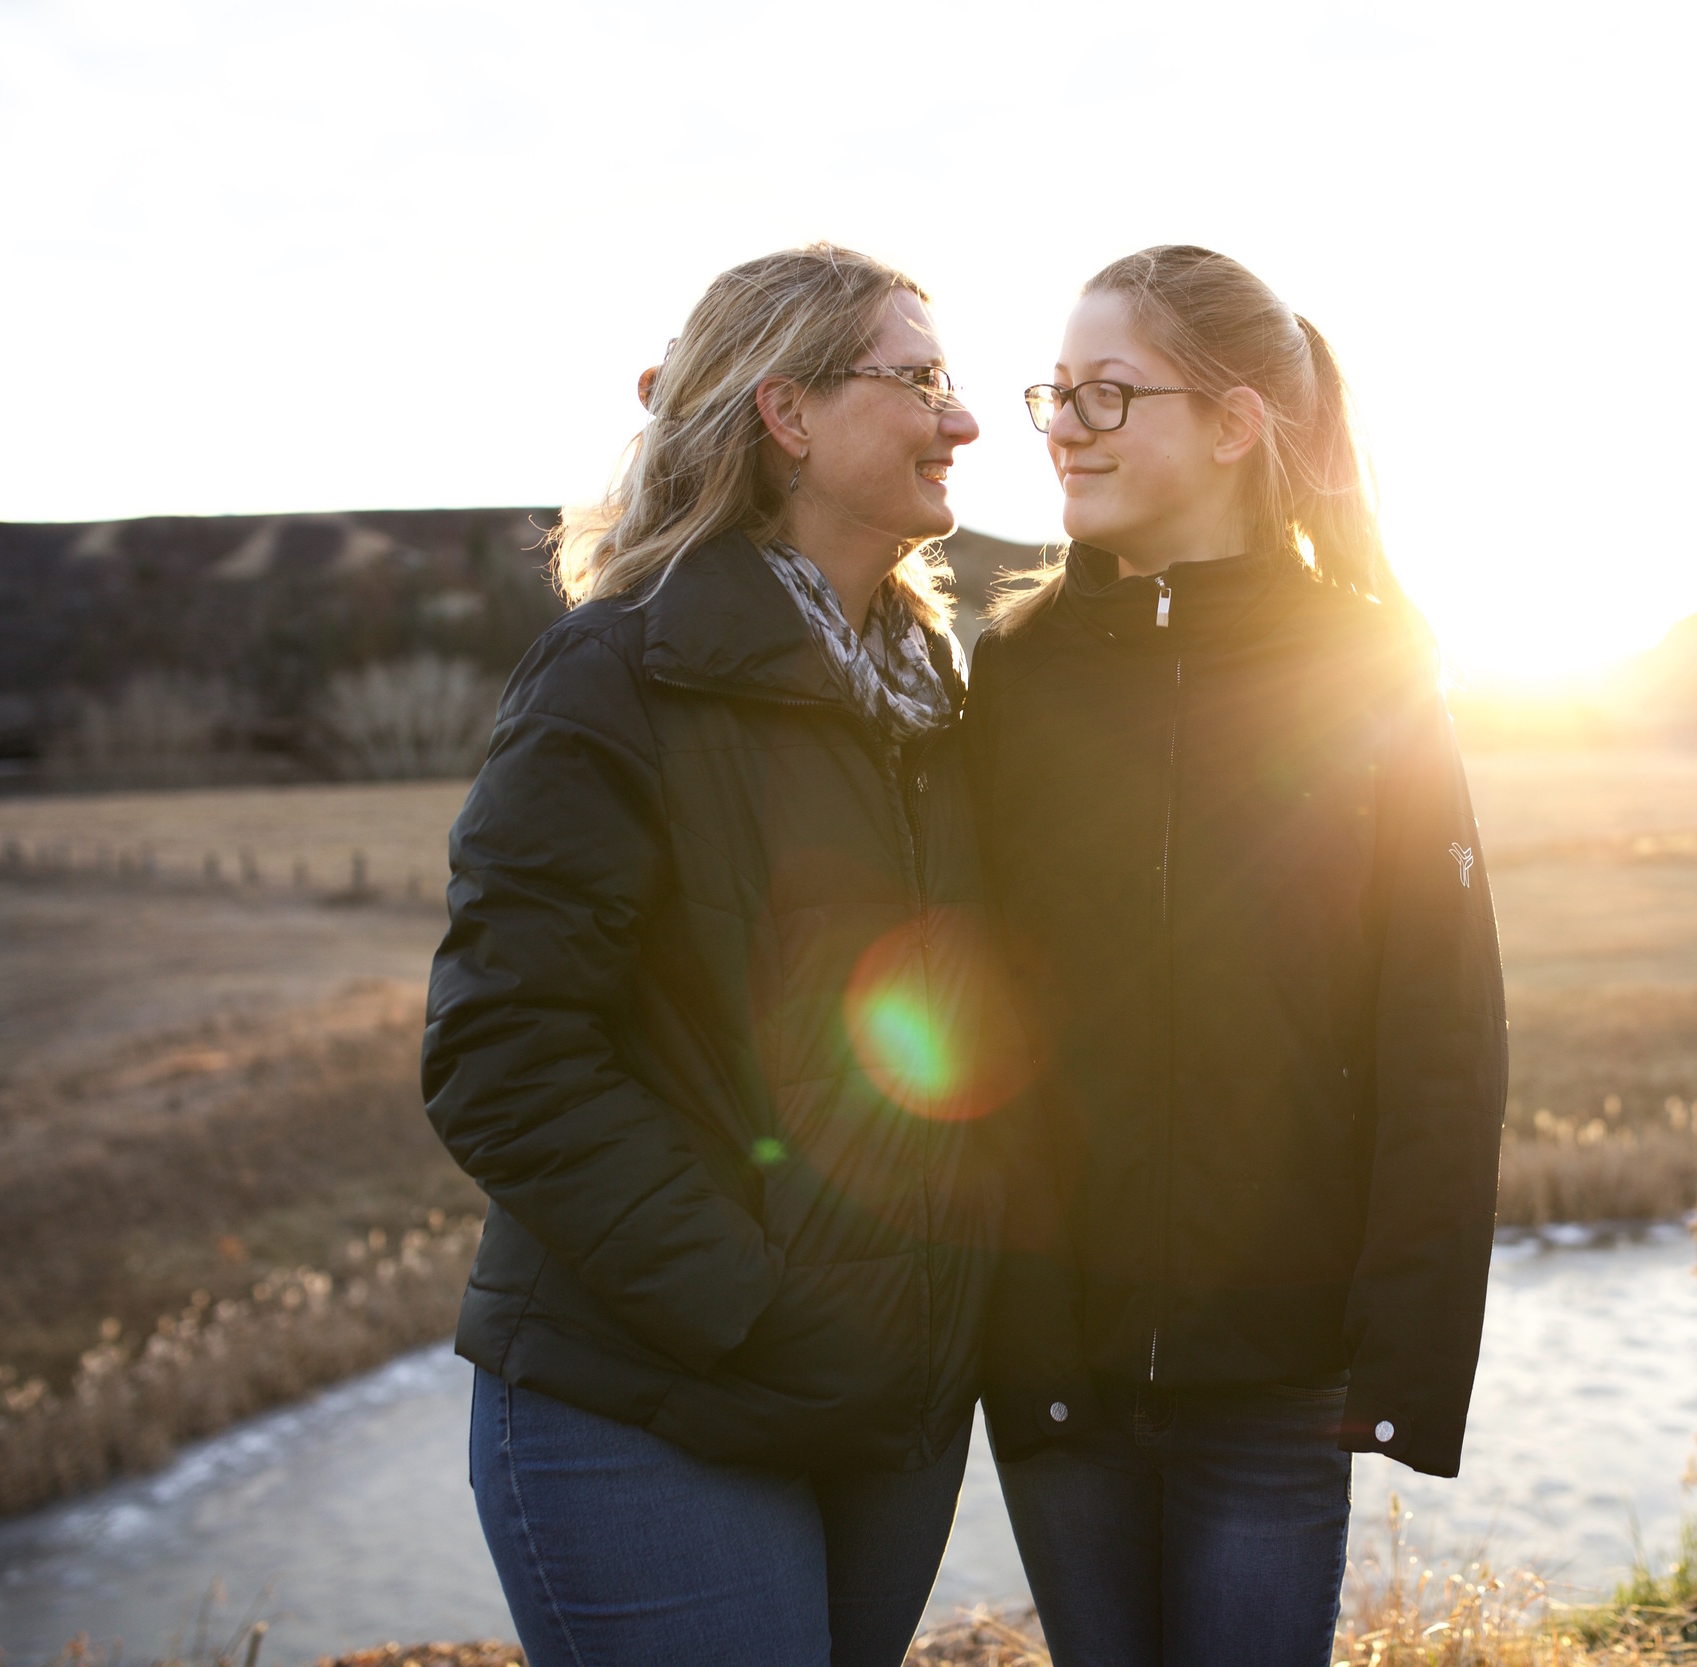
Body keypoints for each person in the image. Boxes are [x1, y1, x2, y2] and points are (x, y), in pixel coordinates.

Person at [422, 243, 1028, 1667]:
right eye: (922, 379)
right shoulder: (618, 674)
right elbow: (501, 1060)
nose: (966, 420)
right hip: (646, 1406)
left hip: (882, 1413)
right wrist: (761, 1314)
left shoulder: (930, 696)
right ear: (789, 413)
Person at [964, 245, 1509, 1666]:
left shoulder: (1367, 665)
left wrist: (1394, 1349)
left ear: (1230, 426)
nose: (1062, 429)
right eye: (1056, 395)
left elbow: (1442, 1028)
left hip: (1277, 1368)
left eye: (1105, 394)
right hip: (1057, 1353)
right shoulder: (1015, 675)